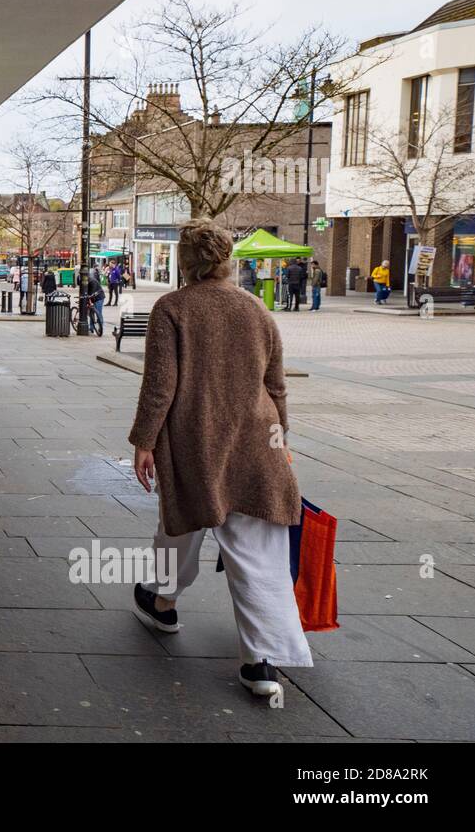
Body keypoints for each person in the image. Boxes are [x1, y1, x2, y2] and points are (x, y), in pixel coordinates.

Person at [129, 219, 311, 698]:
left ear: (185, 263)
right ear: (228, 260)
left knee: (182, 523)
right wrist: (280, 439)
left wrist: (144, 441)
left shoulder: (172, 308)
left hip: (195, 441)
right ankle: (261, 663)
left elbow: (160, 386)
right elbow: (277, 386)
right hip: (257, 443)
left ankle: (163, 602)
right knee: (257, 553)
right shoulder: (256, 308)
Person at [87, 265, 105, 335]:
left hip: (99, 298)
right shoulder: (86, 282)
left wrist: (89, 296)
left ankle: (100, 328)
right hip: (93, 298)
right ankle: (91, 328)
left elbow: (93, 291)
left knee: (98, 313)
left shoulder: (92, 281)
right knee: (91, 312)